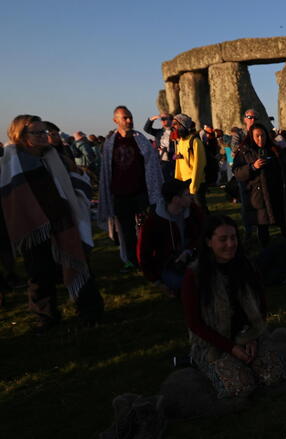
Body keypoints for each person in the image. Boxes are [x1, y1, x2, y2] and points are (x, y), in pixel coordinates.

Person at [1, 115, 103, 331]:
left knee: (76, 261)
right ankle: (46, 317)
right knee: (39, 273)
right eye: (37, 133)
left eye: (44, 132)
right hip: (32, 226)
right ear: (21, 135)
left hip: (61, 220)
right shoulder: (11, 160)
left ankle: (89, 311)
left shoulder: (53, 156)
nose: (43, 137)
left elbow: (72, 179)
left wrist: (76, 198)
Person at [181, 215, 286, 399]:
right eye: (223, 239)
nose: (231, 244)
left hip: (247, 334)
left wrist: (252, 338)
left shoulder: (246, 266)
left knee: (274, 376)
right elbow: (194, 323)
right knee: (241, 388)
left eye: (233, 238)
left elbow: (261, 305)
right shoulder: (195, 276)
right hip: (213, 342)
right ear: (209, 241)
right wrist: (230, 348)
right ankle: (198, 362)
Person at [98, 106, 165, 269]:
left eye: (130, 117)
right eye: (125, 118)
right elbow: (107, 170)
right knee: (126, 231)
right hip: (120, 194)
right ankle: (132, 260)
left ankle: (148, 255)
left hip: (140, 192)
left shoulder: (140, 140)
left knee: (145, 228)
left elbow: (152, 166)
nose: (129, 121)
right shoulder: (109, 144)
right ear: (116, 121)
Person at [137, 179, 205, 294]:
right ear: (176, 199)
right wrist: (155, 280)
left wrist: (190, 250)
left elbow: (204, 232)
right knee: (186, 285)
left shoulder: (193, 211)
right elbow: (143, 252)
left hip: (194, 255)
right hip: (169, 265)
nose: (190, 197)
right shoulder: (154, 221)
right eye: (186, 194)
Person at [233, 123, 286, 246]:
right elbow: (237, 173)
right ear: (251, 136)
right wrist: (253, 167)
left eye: (263, 135)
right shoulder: (244, 152)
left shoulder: (274, 149)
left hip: (276, 192)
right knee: (262, 225)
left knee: (283, 221)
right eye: (257, 136)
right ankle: (265, 251)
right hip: (258, 193)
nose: (261, 139)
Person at [143, 113, 176, 181]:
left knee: (171, 182)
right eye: (161, 119)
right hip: (160, 161)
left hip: (172, 161)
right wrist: (153, 118)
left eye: (165, 119)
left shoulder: (176, 132)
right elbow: (146, 129)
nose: (162, 120)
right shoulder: (158, 132)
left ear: (171, 120)